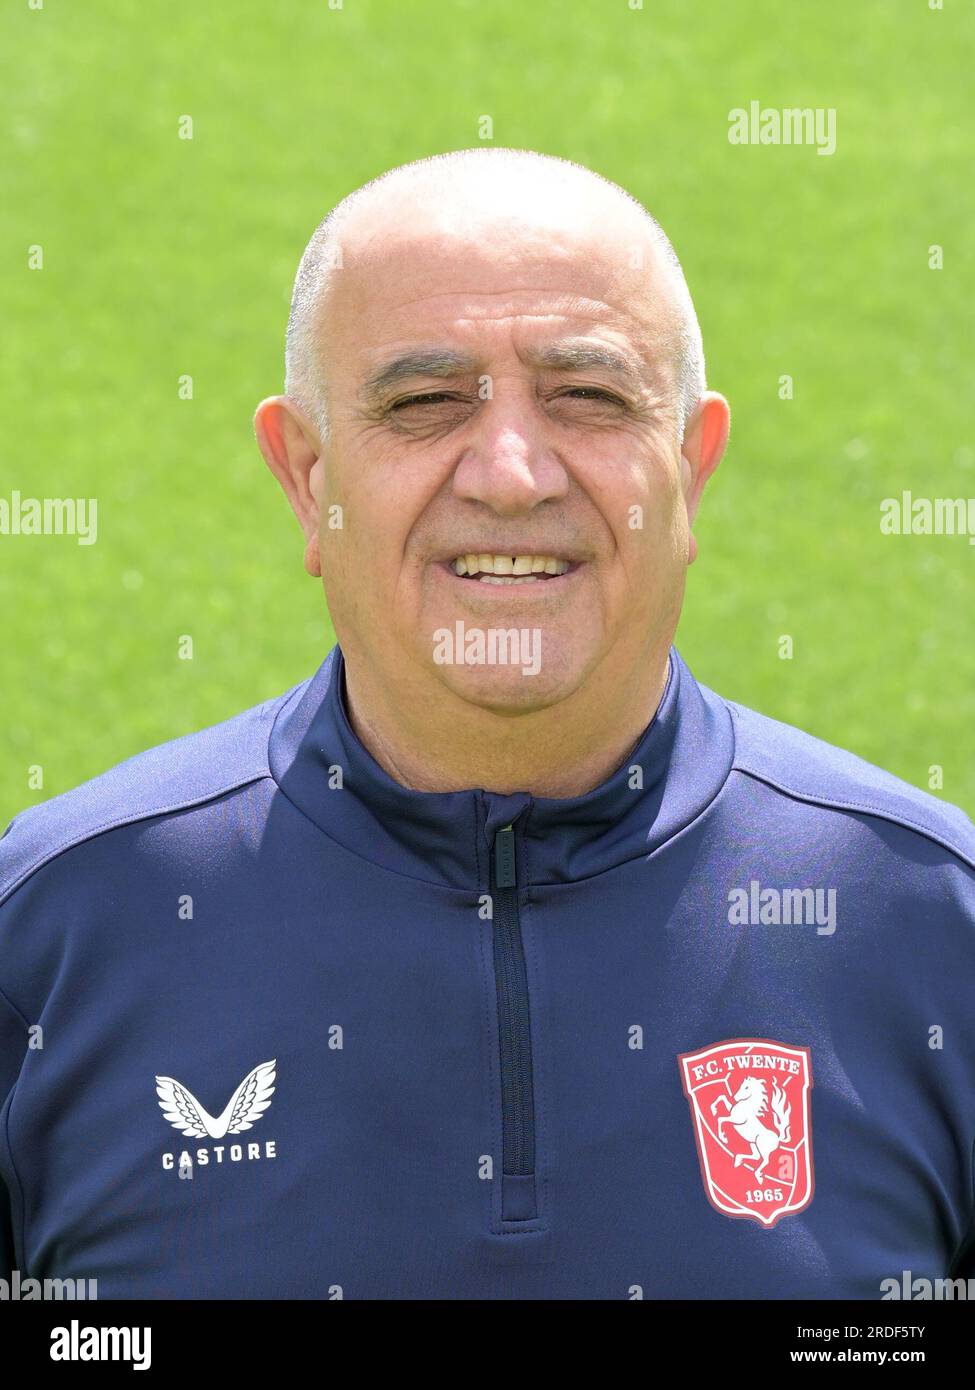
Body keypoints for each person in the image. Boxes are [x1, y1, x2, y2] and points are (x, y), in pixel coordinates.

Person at [1, 148, 973, 1300]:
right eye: (422, 401)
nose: (512, 475)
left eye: (590, 396)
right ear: (307, 480)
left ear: (689, 469)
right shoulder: (55, 927)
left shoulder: (931, 922)